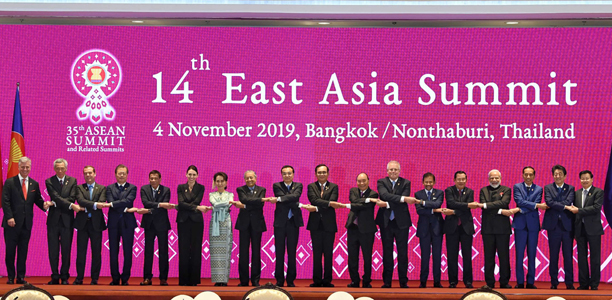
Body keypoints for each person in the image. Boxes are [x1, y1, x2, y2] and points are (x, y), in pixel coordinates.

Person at [2, 157, 46, 284]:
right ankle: (10, 277)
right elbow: (5, 201)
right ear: (18, 167)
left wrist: (45, 205)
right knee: (10, 251)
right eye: (23, 167)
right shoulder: (10, 182)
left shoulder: (34, 184)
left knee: (23, 251)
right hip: (11, 223)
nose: (25, 169)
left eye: (27, 167)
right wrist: (9, 217)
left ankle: (20, 276)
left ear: (30, 168)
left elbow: (38, 200)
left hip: (26, 224)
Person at [375, 160, 415, 288]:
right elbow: (384, 195)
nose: (393, 172)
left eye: (395, 169)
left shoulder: (406, 182)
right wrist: (402, 199)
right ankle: (387, 281)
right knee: (387, 252)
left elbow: (392, 198)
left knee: (402, 252)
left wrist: (387, 203)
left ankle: (403, 281)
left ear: (399, 171)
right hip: (386, 222)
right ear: (387, 171)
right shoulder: (381, 182)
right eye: (391, 170)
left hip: (401, 222)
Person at [267, 165, 304, 288]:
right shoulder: (277, 185)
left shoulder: (298, 185)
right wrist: (289, 199)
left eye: (289, 173)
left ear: (293, 174)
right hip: (280, 223)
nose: (287, 175)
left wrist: (279, 199)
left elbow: (296, 196)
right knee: (280, 252)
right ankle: (279, 279)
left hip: (293, 222)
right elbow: (292, 198)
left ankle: (291, 279)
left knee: (292, 252)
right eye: (284, 173)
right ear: (281, 175)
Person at [44, 158, 79, 285]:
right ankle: (54, 275)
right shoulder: (49, 181)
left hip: (67, 220)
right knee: (53, 250)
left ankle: (64, 276)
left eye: (62, 168)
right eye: (57, 168)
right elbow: (56, 197)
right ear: (54, 169)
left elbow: (72, 197)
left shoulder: (73, 181)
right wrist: (69, 205)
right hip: (53, 221)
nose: (59, 170)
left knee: (66, 249)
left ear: (66, 168)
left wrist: (53, 203)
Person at [307, 164, 341, 287]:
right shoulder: (311, 186)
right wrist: (328, 204)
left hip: (329, 224)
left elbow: (334, 200)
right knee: (316, 253)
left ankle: (327, 280)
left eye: (324, 172)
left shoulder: (334, 187)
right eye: (319, 172)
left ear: (328, 173)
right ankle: (316, 280)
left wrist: (317, 207)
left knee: (328, 253)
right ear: (316, 174)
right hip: (315, 224)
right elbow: (313, 200)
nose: (322, 174)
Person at [512, 166, 547, 289]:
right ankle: (520, 282)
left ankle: (531, 282)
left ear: (534, 175)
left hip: (533, 225)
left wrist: (521, 208)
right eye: (526, 174)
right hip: (520, 224)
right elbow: (519, 201)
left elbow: (529, 204)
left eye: (530, 174)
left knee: (532, 254)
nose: (528, 177)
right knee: (519, 255)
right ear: (522, 175)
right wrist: (535, 205)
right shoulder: (517, 187)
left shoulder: (539, 189)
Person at [137, 170, 173, 286]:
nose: (153, 180)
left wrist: (151, 209)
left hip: (162, 224)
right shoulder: (144, 189)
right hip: (149, 224)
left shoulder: (166, 190)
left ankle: (163, 278)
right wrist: (159, 205)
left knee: (163, 252)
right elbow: (145, 202)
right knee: (148, 252)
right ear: (149, 179)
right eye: (151, 178)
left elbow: (165, 205)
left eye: (155, 178)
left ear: (160, 179)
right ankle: (147, 277)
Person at [73, 165, 108, 285]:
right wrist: (94, 205)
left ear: (95, 174)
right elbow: (80, 201)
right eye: (85, 173)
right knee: (81, 252)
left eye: (90, 173)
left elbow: (102, 202)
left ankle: (94, 278)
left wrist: (90, 206)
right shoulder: (79, 188)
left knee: (96, 252)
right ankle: (79, 277)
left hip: (96, 224)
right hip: (82, 224)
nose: (88, 175)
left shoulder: (102, 188)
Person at [478, 170, 512, 289]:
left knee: (504, 256)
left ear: (500, 178)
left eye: (496, 178)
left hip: (503, 229)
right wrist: (501, 210)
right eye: (492, 178)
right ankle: (489, 282)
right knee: (489, 257)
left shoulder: (507, 189)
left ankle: (504, 281)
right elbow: (483, 206)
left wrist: (488, 206)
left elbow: (504, 202)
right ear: (488, 179)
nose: (494, 180)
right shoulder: (483, 190)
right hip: (488, 228)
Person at [569, 170, 604, 290]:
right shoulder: (577, 193)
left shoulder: (598, 192)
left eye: (587, 178)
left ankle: (594, 284)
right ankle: (583, 283)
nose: (585, 180)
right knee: (581, 257)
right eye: (582, 178)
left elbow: (596, 208)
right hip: (580, 229)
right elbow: (573, 214)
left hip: (594, 229)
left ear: (592, 179)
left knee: (595, 257)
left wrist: (579, 210)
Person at [543, 165, 575, 290]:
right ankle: (554, 282)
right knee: (554, 255)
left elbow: (568, 201)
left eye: (560, 174)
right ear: (553, 175)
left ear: (565, 176)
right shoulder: (548, 187)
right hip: (553, 226)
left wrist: (563, 206)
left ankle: (569, 282)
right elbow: (549, 202)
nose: (558, 176)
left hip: (567, 226)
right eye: (555, 174)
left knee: (568, 255)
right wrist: (565, 206)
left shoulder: (570, 188)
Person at [443, 171, 476, 289]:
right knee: (452, 256)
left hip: (466, 227)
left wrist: (454, 211)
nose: (461, 181)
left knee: (467, 256)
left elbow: (469, 207)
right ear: (454, 180)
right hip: (452, 227)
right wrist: (465, 206)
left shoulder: (470, 191)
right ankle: (452, 281)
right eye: (459, 179)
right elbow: (451, 203)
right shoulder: (449, 190)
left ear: (466, 180)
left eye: (463, 179)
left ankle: (468, 281)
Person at [106, 164, 138, 286]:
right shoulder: (109, 188)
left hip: (128, 223)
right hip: (113, 223)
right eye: (119, 173)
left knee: (127, 251)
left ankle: (125, 278)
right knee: (113, 251)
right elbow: (110, 201)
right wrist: (124, 208)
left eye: (124, 173)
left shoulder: (132, 188)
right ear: (115, 174)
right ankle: (115, 278)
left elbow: (129, 201)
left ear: (127, 175)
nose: (121, 175)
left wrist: (115, 205)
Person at [345, 173, 379, 288]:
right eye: (359, 181)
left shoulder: (374, 194)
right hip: (353, 228)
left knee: (367, 256)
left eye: (364, 180)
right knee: (352, 256)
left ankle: (366, 281)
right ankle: (354, 280)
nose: (361, 183)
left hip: (367, 230)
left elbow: (358, 205)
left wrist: (357, 203)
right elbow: (353, 201)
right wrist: (366, 200)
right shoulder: (353, 191)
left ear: (368, 181)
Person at [176, 165, 208, 286]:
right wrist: (196, 207)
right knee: (183, 250)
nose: (191, 177)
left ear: (197, 176)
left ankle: (194, 280)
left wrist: (190, 205)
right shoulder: (181, 187)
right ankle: (183, 280)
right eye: (189, 174)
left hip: (196, 221)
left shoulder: (201, 187)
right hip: (183, 221)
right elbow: (181, 203)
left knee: (195, 250)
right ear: (186, 175)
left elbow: (195, 201)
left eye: (194, 174)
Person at [235, 170, 267, 287]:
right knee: (243, 253)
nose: (249, 180)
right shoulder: (240, 189)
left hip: (257, 224)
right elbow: (244, 199)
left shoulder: (262, 190)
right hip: (243, 224)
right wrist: (256, 202)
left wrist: (244, 206)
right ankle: (243, 281)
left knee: (256, 253)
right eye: (247, 178)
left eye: (251, 178)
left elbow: (260, 205)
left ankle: (255, 280)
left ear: (256, 178)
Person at [414, 172, 444, 288]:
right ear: (422, 182)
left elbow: (438, 203)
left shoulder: (440, 193)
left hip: (437, 229)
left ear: (434, 182)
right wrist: (434, 210)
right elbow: (419, 211)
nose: (428, 184)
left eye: (430, 182)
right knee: (425, 256)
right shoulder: (418, 193)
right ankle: (423, 281)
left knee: (437, 256)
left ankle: (437, 281)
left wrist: (422, 203)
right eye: (426, 182)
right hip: (423, 229)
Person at [210, 172, 238, 286]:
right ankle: (217, 279)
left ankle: (224, 279)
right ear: (215, 182)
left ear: (226, 182)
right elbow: (214, 204)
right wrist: (223, 204)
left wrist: (220, 204)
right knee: (215, 253)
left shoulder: (230, 194)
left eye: (222, 181)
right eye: (218, 181)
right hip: (215, 223)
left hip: (226, 223)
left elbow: (228, 204)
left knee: (226, 252)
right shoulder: (211, 194)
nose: (220, 183)